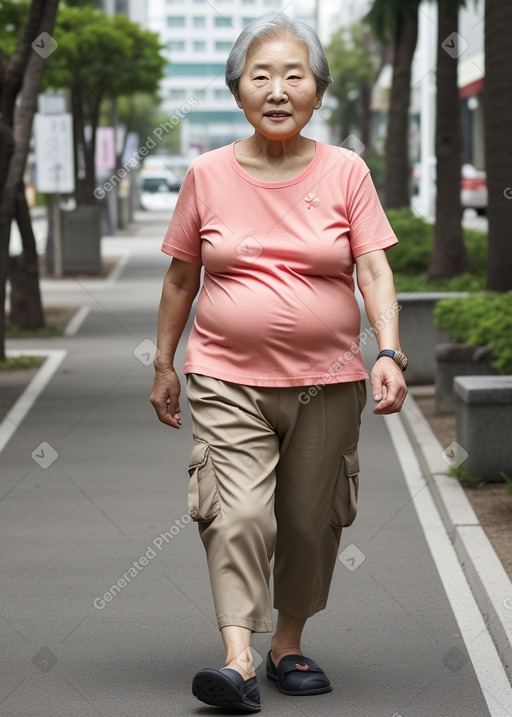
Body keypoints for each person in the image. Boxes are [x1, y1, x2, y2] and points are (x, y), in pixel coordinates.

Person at [150, 12, 408, 713]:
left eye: (295, 74)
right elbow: (181, 278)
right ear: (237, 91)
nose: (277, 88)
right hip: (226, 374)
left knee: (307, 519)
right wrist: (164, 363)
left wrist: (387, 349)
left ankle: (287, 644)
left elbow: (373, 268)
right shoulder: (206, 173)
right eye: (260, 74)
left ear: (318, 93)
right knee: (237, 515)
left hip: (327, 382)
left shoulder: (346, 171)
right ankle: (237, 661)